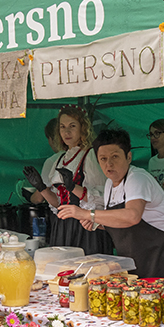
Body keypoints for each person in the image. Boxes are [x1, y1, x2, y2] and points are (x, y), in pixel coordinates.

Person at [57, 128, 164, 279]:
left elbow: (132, 216)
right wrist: (96, 222)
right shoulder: (109, 184)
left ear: (128, 157)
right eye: (103, 159)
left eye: (115, 156)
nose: (109, 164)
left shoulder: (137, 178)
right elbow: (120, 221)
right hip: (141, 260)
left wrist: (87, 213)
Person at [23, 105, 112, 254]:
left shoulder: (90, 156)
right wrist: (41, 188)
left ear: (82, 128)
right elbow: (59, 204)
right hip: (63, 227)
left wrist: (73, 187)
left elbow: (101, 199)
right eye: (62, 127)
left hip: (85, 227)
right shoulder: (60, 159)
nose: (67, 132)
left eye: (72, 126)